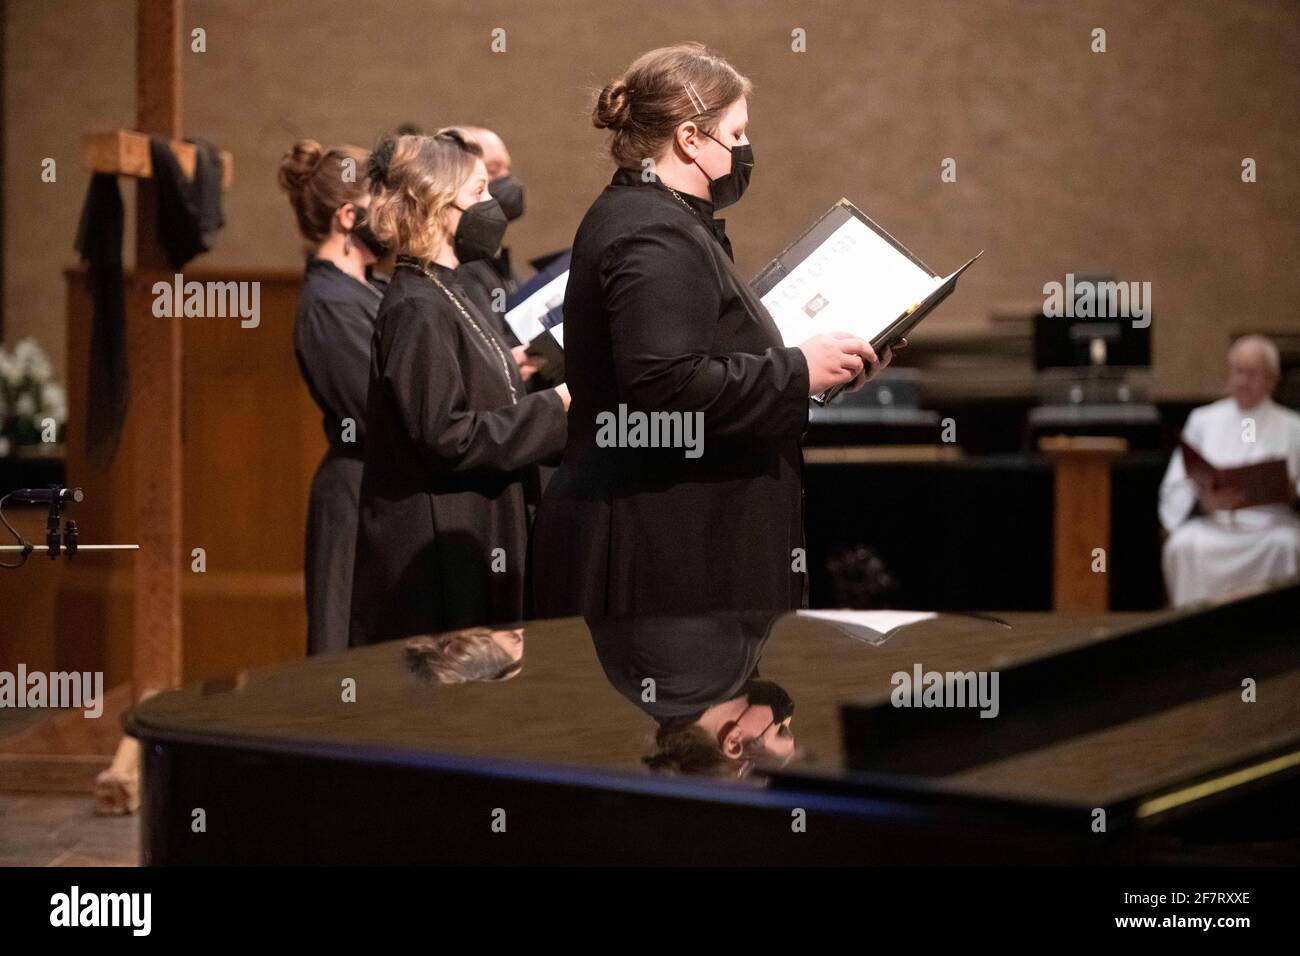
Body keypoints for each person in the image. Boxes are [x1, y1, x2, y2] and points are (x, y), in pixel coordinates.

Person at [532, 42, 894, 618]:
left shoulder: (663, 218)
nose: (747, 149)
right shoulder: (652, 231)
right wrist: (798, 369)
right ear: (691, 139)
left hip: (684, 531)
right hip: (663, 547)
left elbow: (711, 357)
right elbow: (664, 384)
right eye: (738, 132)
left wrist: (825, 371)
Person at [348, 131, 570, 646]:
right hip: (437, 543)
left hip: (473, 524)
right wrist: (557, 406)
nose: (492, 207)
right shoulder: (416, 306)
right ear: (438, 209)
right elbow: (448, 435)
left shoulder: (447, 289)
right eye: (478, 194)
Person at [278, 139, 389, 655]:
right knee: (348, 657)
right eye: (381, 205)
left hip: (378, 491)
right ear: (348, 216)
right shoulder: (328, 303)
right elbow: (375, 412)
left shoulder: (367, 286)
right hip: (355, 496)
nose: (392, 217)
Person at [1160, 334, 1300, 606]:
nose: (1242, 381)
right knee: (1183, 546)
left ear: (1272, 379)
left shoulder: (1294, 427)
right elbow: (1177, 482)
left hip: (1269, 527)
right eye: (1238, 371)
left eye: (1252, 373)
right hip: (1215, 522)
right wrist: (1202, 497)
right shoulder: (1202, 420)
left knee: (1287, 546)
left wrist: (1292, 487)